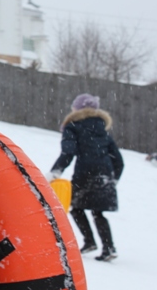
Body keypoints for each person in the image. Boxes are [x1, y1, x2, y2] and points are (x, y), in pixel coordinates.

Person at [47, 93, 124, 262]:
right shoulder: (102, 130)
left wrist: (55, 172)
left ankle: (89, 241)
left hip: (85, 174)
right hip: (104, 175)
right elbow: (118, 160)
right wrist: (113, 179)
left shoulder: (73, 126)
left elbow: (68, 152)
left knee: (76, 208)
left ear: (77, 109)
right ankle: (108, 248)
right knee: (98, 212)